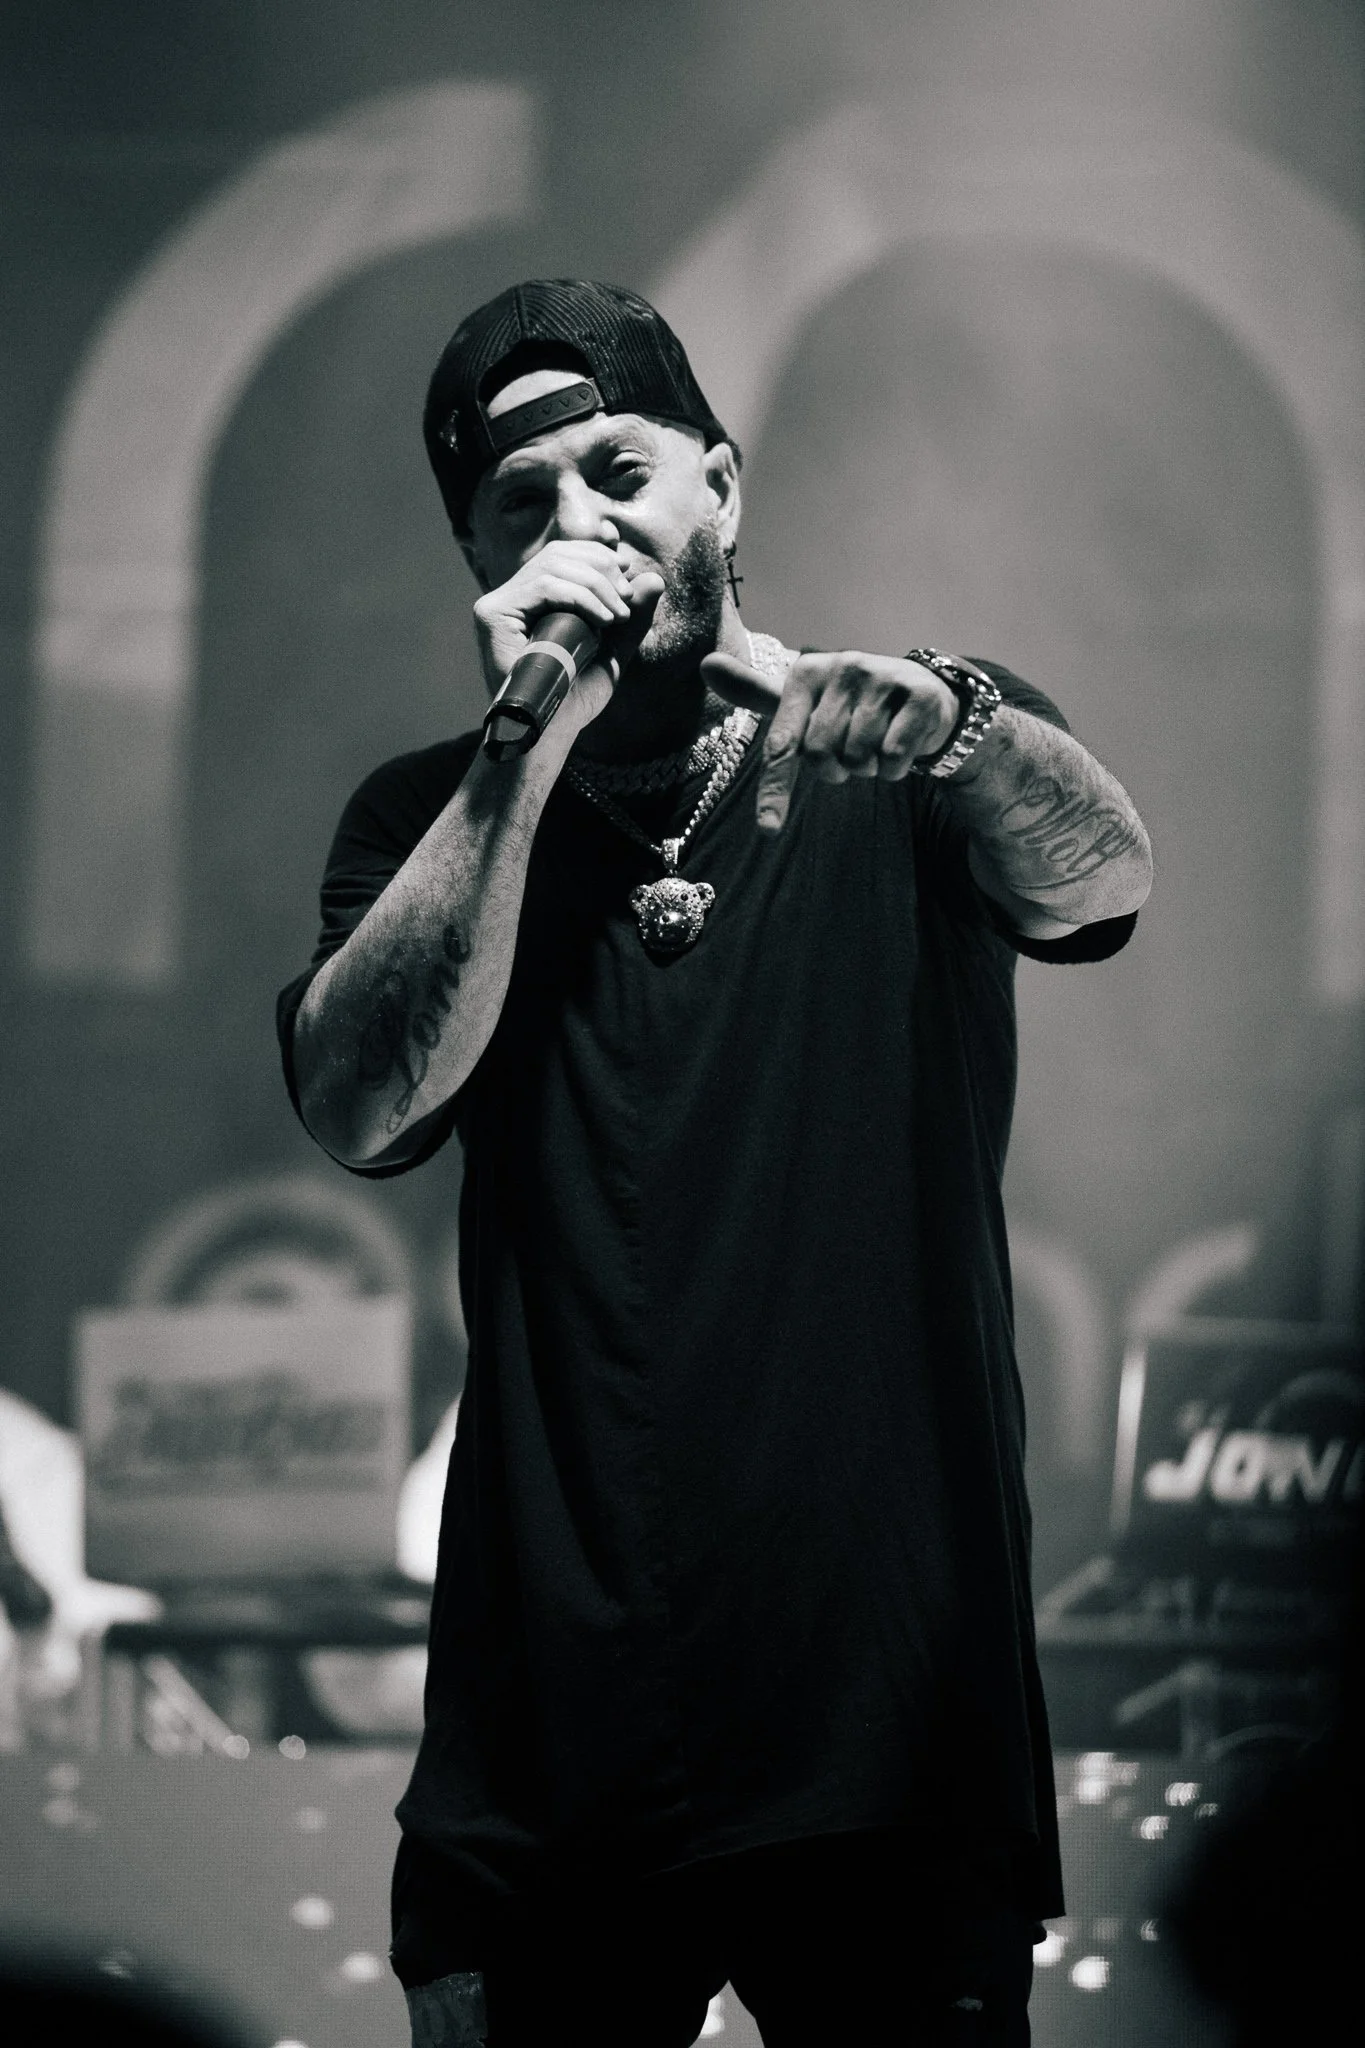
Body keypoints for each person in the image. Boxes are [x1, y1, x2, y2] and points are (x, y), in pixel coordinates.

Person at [277, 278, 1153, 2046]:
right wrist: (521, 749)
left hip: (888, 1715)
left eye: (619, 470)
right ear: (477, 559)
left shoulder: (911, 745)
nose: (580, 523)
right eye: (520, 504)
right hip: (552, 1740)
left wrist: (966, 726)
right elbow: (361, 1106)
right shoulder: (428, 815)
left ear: (724, 489)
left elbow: (1107, 881)